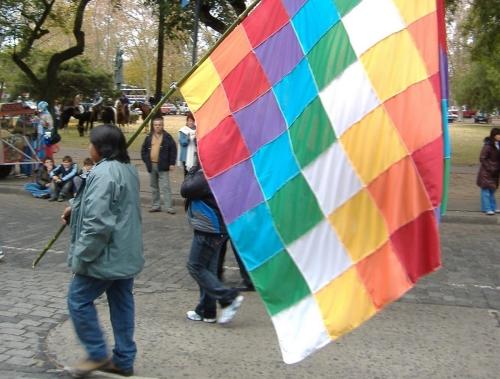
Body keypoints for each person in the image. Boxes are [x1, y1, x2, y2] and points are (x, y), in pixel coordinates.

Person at [62, 124, 144, 378]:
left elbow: (98, 223)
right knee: (122, 303)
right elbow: (109, 205)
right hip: (125, 252)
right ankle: (124, 359)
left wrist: (82, 256)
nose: (89, 148)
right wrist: (74, 208)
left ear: (101, 147)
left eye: (91, 143)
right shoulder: (127, 170)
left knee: (78, 300)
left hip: (105, 256)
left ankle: (97, 353)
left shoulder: (104, 173)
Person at [181, 165, 244, 324]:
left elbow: (186, 189)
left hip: (210, 228)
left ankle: (228, 298)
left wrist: (192, 171)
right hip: (215, 227)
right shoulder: (224, 168)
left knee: (195, 266)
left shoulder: (209, 172)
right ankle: (206, 311)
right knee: (209, 269)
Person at [140, 117, 177, 214]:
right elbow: (143, 150)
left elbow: (173, 150)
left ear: (163, 125)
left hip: (163, 166)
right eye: (156, 125)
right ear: (153, 126)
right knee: (153, 186)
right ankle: (156, 205)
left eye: (159, 125)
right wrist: (146, 160)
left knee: (166, 186)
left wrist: (172, 163)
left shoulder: (168, 137)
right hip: (151, 165)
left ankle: (168, 207)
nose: (157, 127)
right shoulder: (148, 136)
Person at [476, 127, 500, 215]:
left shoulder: (498, 145)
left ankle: (492, 207)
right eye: (499, 134)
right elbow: (482, 158)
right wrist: (490, 167)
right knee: (486, 191)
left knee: (492, 190)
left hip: (495, 172)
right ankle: (487, 208)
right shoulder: (488, 145)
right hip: (486, 172)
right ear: (494, 135)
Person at [178, 112, 198, 176]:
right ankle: (186, 185)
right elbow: (182, 142)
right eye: (189, 121)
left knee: (194, 173)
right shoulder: (183, 130)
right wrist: (188, 139)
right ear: (187, 121)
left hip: (195, 156)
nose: (191, 122)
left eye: (192, 121)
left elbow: (199, 143)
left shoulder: (197, 130)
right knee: (186, 174)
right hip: (186, 157)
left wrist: (195, 140)